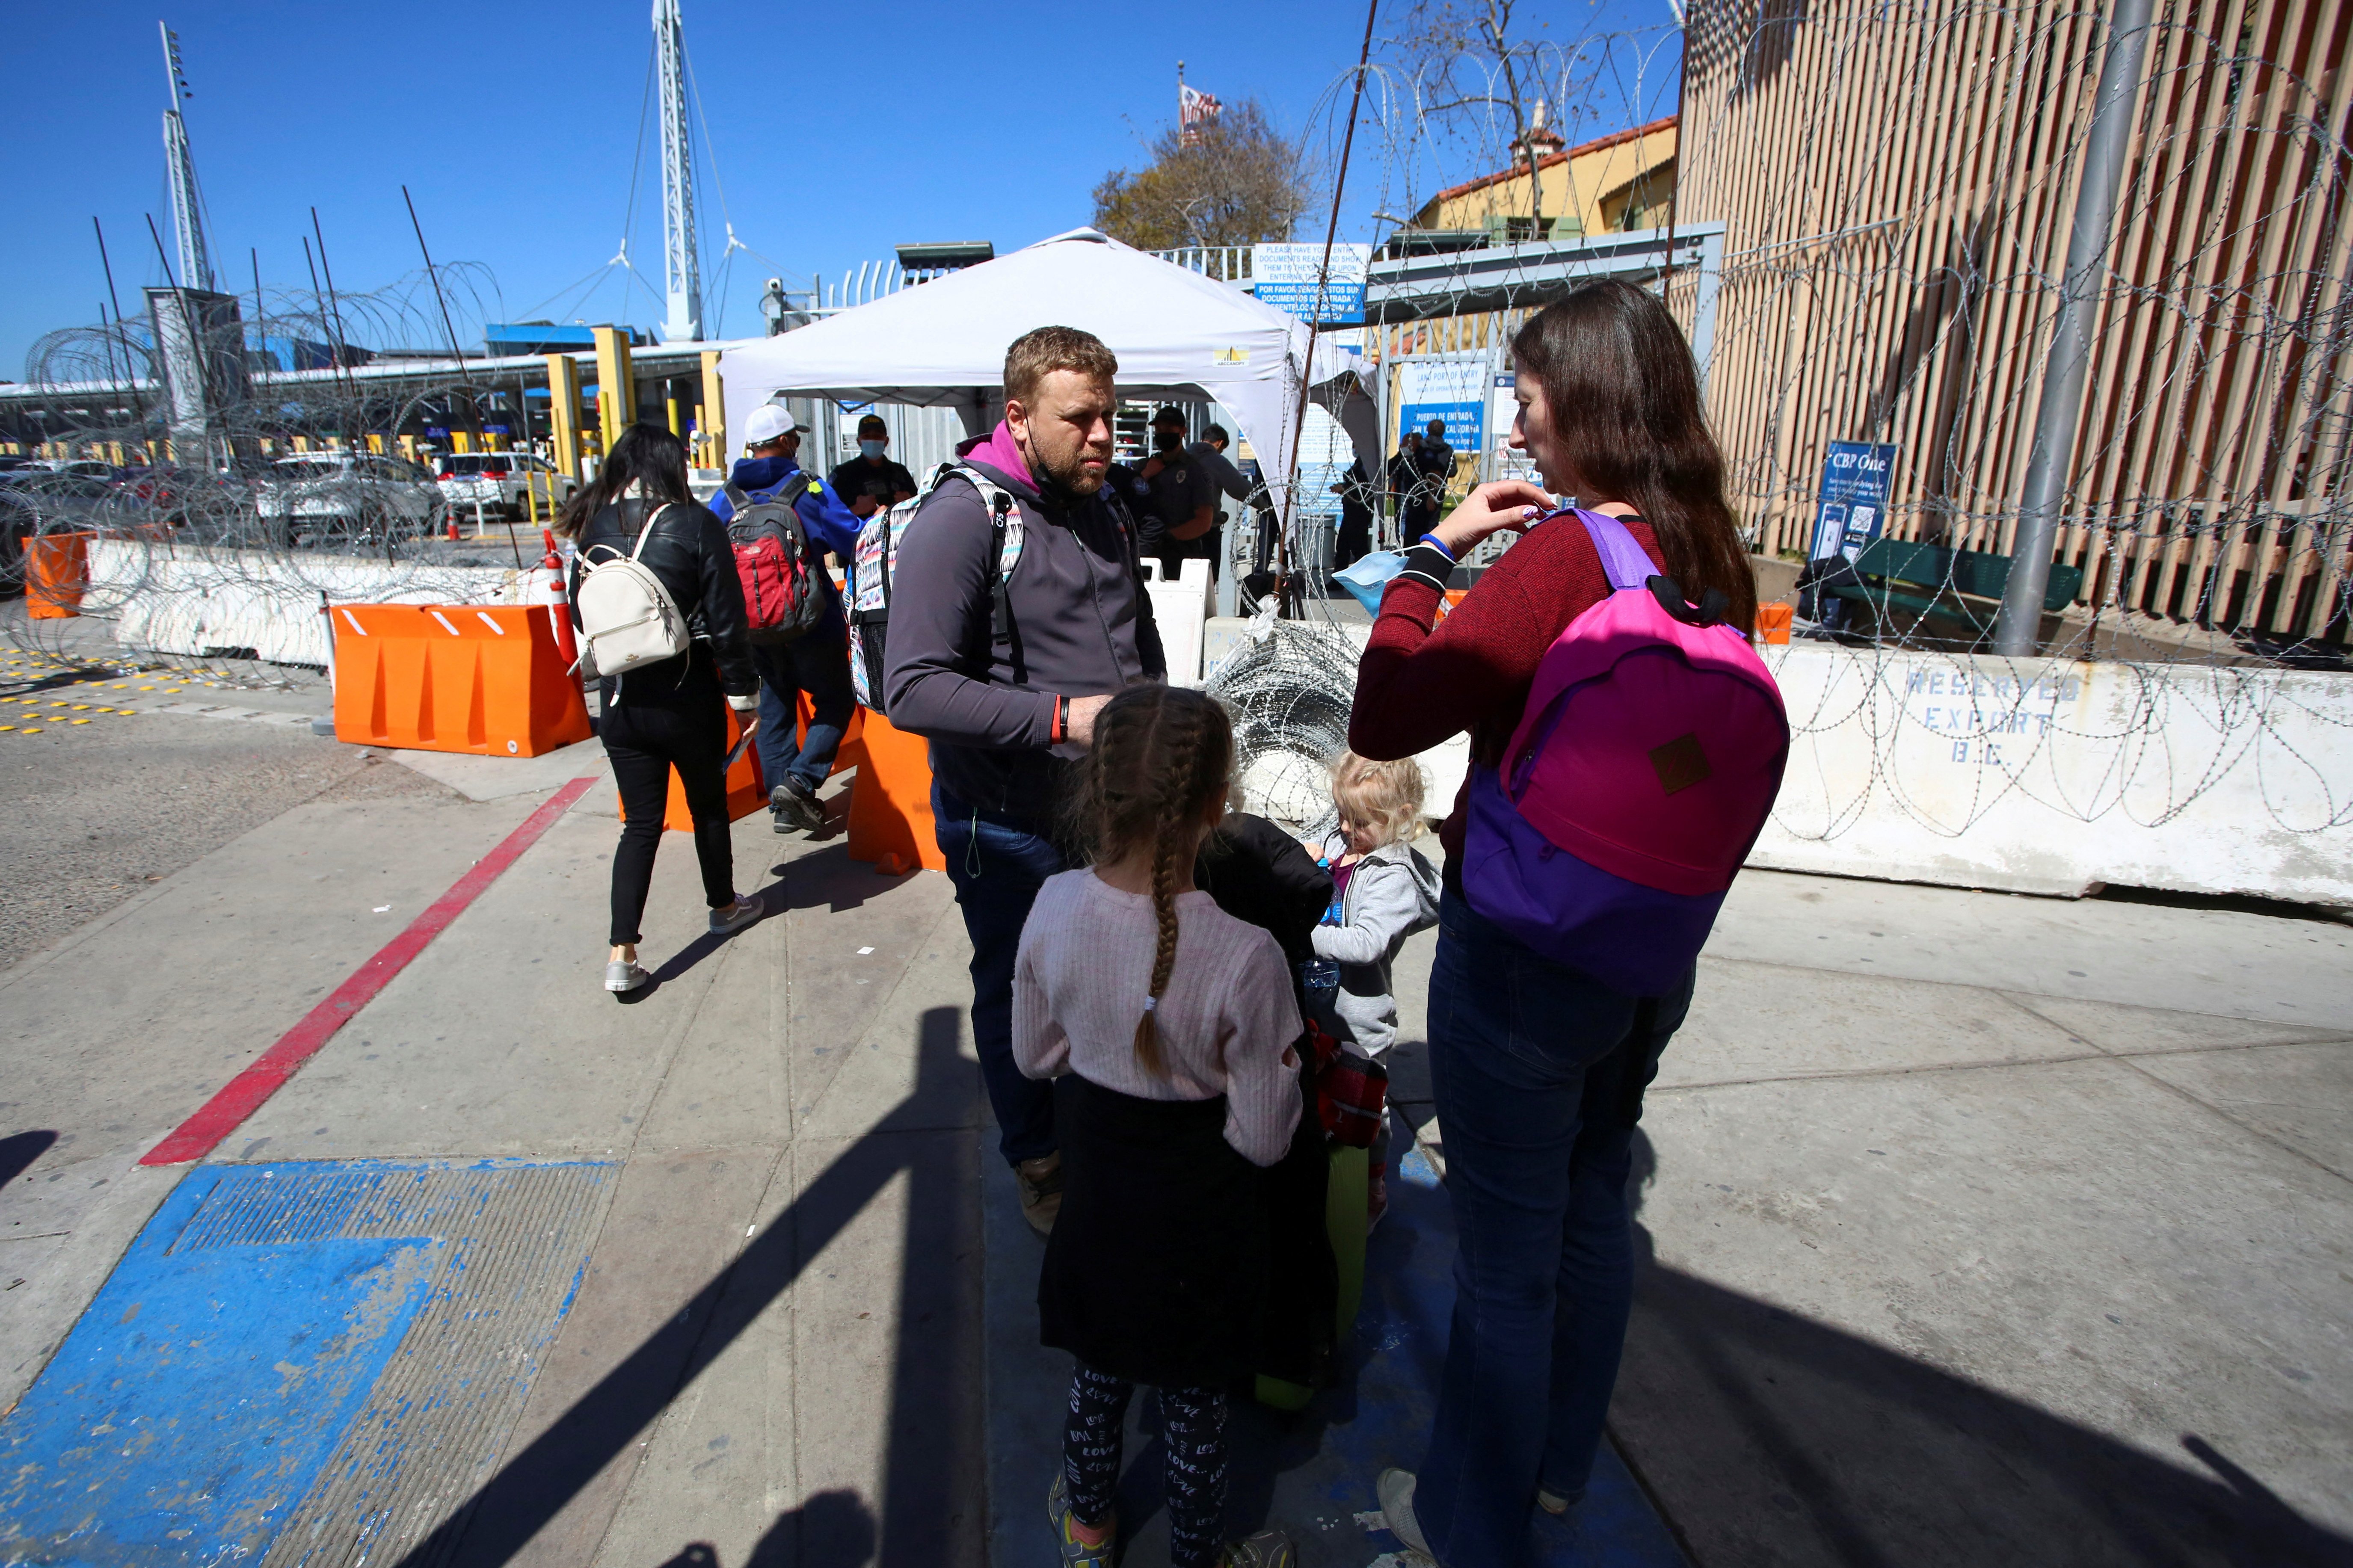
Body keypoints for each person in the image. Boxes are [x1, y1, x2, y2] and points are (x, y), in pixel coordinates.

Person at [1348, 279, 1757, 1565]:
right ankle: (1563, 1472)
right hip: (1648, 948)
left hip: (1523, 950)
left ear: (1583, 404)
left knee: (1505, 1264)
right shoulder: (1708, 546)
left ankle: (1471, 1526)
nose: (1518, 432)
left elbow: (1388, 715)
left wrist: (1432, 551)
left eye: (1527, 403)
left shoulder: (1566, 554)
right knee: (1591, 1206)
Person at [883, 325, 1166, 1235]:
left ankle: (1097, 1127)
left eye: (1108, 419)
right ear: (1017, 416)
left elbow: (1137, 628)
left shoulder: (1106, 501)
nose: (1100, 437)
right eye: (1078, 419)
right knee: (1019, 988)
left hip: (1111, 805)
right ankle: (1037, 1158)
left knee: (1117, 975)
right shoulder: (964, 517)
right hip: (1006, 821)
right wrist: (1063, 717)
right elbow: (912, 688)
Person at [1015, 684, 1300, 1568]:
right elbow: (1261, 1139)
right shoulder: (1248, 959)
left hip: (1098, 1203)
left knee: (1097, 1379)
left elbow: (1034, 1056)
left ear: (1096, 795)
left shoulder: (1053, 908)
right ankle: (1197, 1555)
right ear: (1219, 805)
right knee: (1193, 1407)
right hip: (1199, 1225)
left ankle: (1089, 1531)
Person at [560, 423, 766, 995]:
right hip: (686, 694)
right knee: (707, 808)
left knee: (641, 825)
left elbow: (586, 618)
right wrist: (744, 698)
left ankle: (621, 952)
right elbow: (727, 622)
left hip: (621, 700)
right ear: (672, 463)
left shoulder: (595, 525)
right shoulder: (696, 523)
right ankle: (724, 905)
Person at [709, 405, 863, 834]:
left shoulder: (726, 496)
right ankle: (799, 782)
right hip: (811, 622)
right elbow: (851, 536)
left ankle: (783, 810)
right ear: (787, 443)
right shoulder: (808, 486)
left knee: (774, 714)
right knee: (836, 698)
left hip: (752, 630)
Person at [1307, 752, 1439, 1227]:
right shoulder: (1341, 844)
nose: (1344, 827)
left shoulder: (1394, 878)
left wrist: (1298, 929)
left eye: (1359, 821)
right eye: (1341, 813)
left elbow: (1365, 944)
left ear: (1400, 818)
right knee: (1314, 1096)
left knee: (1363, 1110)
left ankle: (1371, 1184)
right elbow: (1318, 859)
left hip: (1360, 1021)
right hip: (1316, 1005)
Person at [1124, 404, 1218, 580]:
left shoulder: (1195, 471)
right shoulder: (1145, 466)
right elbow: (1126, 501)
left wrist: (1169, 537)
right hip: (1142, 551)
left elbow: (1204, 521)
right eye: (1159, 429)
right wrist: (1146, 475)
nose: (1163, 433)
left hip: (1180, 555)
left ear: (1183, 432)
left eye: (1169, 429)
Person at [827, 412, 919, 519]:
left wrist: (911, 502)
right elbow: (828, 517)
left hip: (898, 534)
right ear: (859, 441)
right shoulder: (843, 474)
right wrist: (857, 509)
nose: (873, 440)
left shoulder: (900, 472)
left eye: (877, 436)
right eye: (867, 437)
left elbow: (923, 509)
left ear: (886, 441)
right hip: (858, 535)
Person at [1387, 432, 1433, 542]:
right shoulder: (1402, 458)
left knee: (1412, 523)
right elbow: (1389, 468)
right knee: (1401, 518)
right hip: (1402, 494)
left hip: (1418, 497)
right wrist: (1401, 454)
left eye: (1406, 445)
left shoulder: (1422, 458)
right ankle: (1402, 542)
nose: (1403, 447)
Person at [1332, 457, 1378, 568]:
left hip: (1359, 514)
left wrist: (1344, 488)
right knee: (1343, 547)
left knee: (1359, 549)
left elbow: (1363, 488)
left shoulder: (1366, 465)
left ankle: (1365, 577)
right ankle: (1338, 580)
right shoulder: (1360, 461)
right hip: (1351, 512)